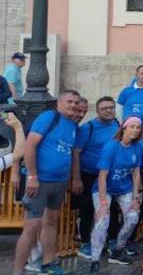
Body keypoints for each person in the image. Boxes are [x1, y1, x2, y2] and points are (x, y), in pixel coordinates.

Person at [13, 90, 81, 275]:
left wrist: (73, 178)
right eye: (69, 101)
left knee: (51, 222)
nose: (73, 105)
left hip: (58, 183)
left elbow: (71, 154)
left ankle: (48, 263)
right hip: (39, 182)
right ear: (59, 103)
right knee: (32, 226)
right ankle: (18, 270)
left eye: (76, 102)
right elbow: (30, 145)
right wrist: (32, 176)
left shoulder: (73, 126)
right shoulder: (49, 117)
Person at [87, 117, 143, 272]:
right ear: (124, 128)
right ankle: (95, 259)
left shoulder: (137, 147)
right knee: (102, 220)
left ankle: (118, 249)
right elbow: (102, 176)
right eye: (132, 126)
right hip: (104, 188)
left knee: (133, 218)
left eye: (138, 127)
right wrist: (104, 203)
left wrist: (135, 196)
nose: (135, 130)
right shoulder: (111, 147)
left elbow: (136, 173)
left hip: (124, 188)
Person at [71, 96, 120, 259]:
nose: (109, 110)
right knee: (87, 209)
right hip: (88, 175)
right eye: (105, 108)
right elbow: (76, 153)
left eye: (111, 107)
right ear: (98, 111)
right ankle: (85, 243)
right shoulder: (87, 128)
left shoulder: (117, 125)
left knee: (112, 209)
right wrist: (76, 178)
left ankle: (112, 240)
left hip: (109, 177)